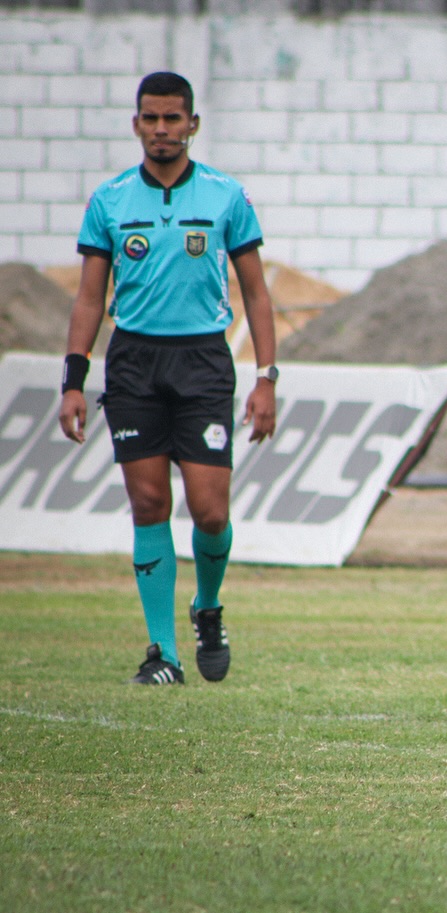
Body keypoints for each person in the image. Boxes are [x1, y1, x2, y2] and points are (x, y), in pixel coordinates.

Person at [58, 72, 278, 685]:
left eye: (172, 119)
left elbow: (257, 294)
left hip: (204, 361)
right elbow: (87, 298)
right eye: (150, 119)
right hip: (133, 362)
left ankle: (207, 606)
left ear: (192, 124)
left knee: (210, 512)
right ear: (136, 125)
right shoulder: (110, 200)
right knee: (149, 502)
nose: (161, 129)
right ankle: (163, 654)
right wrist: (72, 380)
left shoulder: (225, 195)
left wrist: (267, 377)